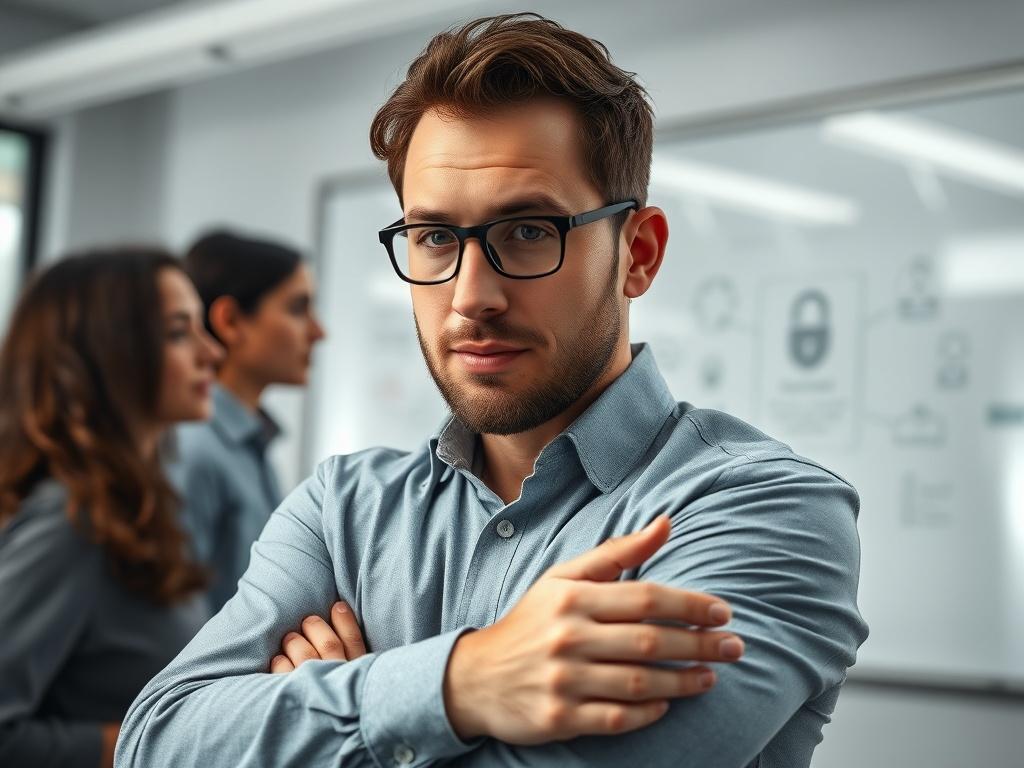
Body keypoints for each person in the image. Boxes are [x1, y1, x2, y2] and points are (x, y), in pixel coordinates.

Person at [116, 14, 868, 768]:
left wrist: (344, 698)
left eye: (530, 230)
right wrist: (461, 681)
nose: (472, 296)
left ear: (636, 254)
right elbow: (158, 741)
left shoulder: (764, 508)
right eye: (436, 237)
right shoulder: (343, 508)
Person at [0, 248, 223, 768]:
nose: (211, 353)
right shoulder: (70, 522)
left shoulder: (129, 506)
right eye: (177, 333)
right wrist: (142, 742)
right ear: (109, 354)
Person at [169, 231, 326, 612]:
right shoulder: (195, 451)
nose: (318, 332)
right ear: (231, 321)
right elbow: (175, 625)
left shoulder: (248, 444)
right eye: (297, 308)